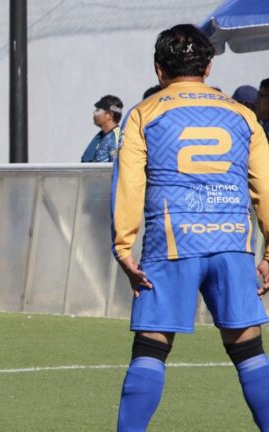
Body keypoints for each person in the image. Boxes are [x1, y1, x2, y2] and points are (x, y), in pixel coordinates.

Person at [111, 24, 269, 431]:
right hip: (231, 242)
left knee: (151, 348)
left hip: (171, 243)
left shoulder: (144, 113)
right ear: (209, 67)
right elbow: (265, 188)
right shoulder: (244, 116)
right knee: (249, 350)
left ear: (159, 70)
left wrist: (123, 247)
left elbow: (129, 184)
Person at [80, 95, 123, 163]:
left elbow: (116, 165)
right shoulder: (101, 136)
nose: (94, 113)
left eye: (97, 110)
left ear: (109, 115)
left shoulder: (117, 137)